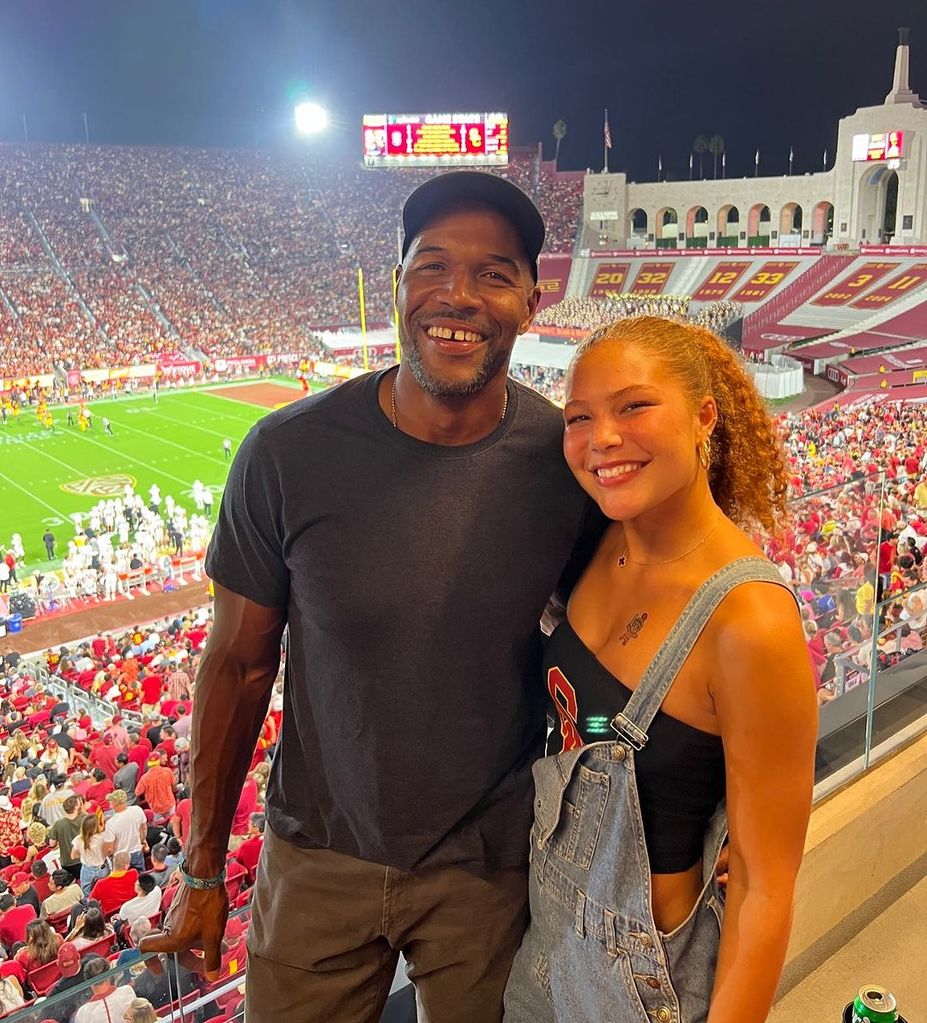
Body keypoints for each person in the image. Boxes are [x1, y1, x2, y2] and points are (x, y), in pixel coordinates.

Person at [141, 171, 596, 1022]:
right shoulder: (284, 452)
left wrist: (706, 822)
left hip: (487, 867)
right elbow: (237, 665)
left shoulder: (561, 461)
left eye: (493, 273)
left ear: (531, 303)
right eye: (431, 266)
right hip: (318, 857)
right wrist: (202, 867)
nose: (456, 296)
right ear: (396, 284)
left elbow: (625, 637)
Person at [503, 317, 818, 1023]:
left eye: (633, 405)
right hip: (543, 940)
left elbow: (765, 890)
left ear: (704, 414)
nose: (601, 437)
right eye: (578, 416)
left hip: (644, 987)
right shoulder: (592, 541)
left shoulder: (748, 620)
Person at [102, 789, 147, 871]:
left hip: (120, 857)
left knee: (122, 881)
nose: (110, 805)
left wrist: (108, 855)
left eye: (111, 802)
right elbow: (144, 828)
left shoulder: (111, 823)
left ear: (115, 804)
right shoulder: (137, 810)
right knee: (140, 877)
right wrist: (143, 840)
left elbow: (109, 848)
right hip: (137, 851)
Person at [71, 813, 109, 896]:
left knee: (85, 892)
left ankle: (89, 906)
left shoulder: (78, 839)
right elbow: (107, 852)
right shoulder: (102, 837)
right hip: (102, 867)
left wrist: (83, 854)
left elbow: (73, 856)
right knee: (106, 889)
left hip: (87, 869)